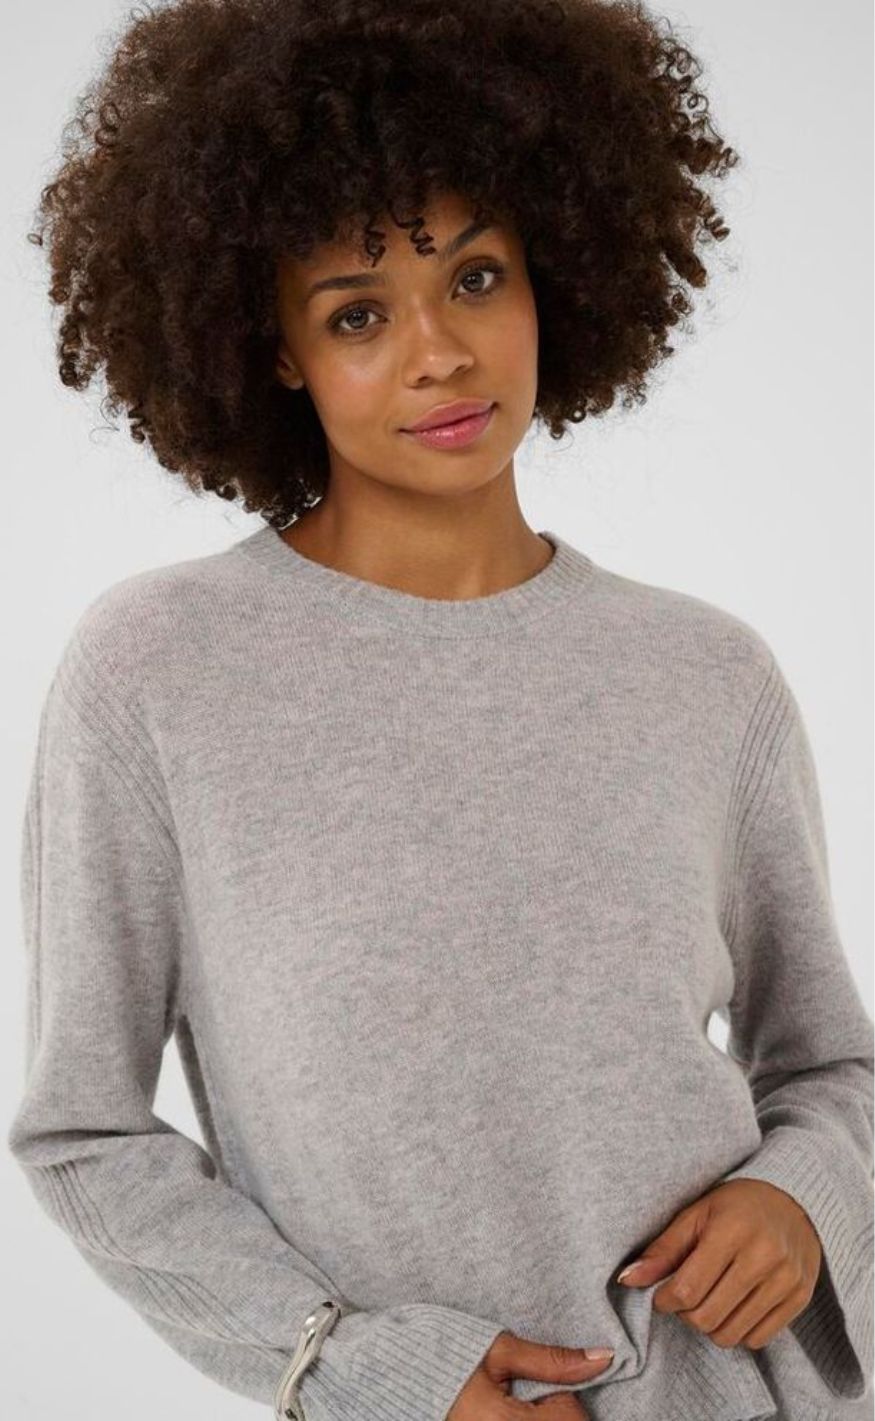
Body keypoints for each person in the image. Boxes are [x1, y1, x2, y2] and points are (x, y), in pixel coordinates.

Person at [7, 1, 873, 1419]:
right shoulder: (157, 672)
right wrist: (361, 1367)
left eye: (476, 277)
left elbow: (833, 1066)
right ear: (275, 349)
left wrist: (803, 1197)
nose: (439, 353)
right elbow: (84, 1132)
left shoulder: (710, 676)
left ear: (551, 276)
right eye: (357, 312)